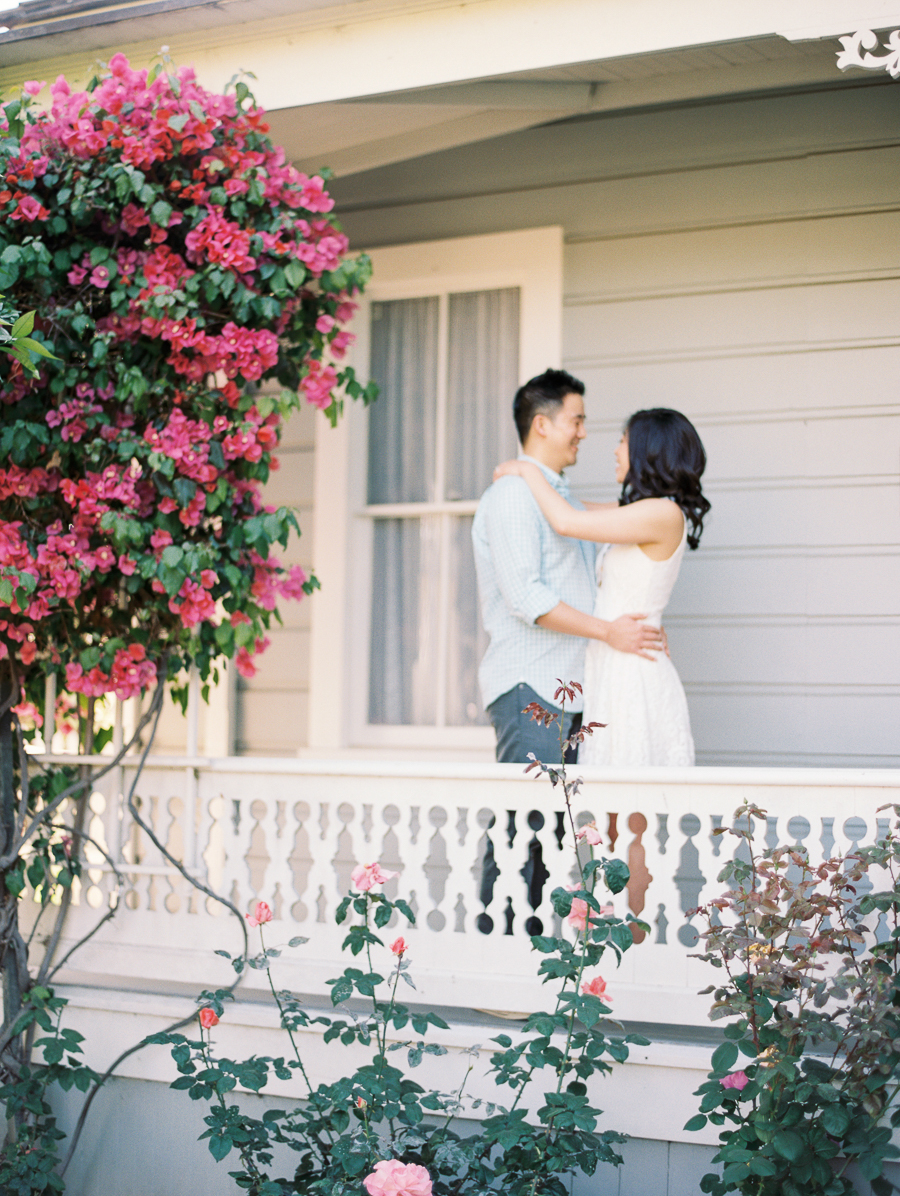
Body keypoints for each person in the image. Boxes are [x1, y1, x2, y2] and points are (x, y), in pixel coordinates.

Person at [493, 407, 710, 766]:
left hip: (632, 668)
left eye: (623, 440)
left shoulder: (663, 513)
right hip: (611, 662)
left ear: (648, 449)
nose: (615, 449)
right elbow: (568, 509)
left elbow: (566, 520)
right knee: (611, 793)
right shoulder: (640, 510)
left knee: (630, 792)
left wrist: (528, 469)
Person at [472, 370, 665, 764]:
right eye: (576, 421)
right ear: (541, 425)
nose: (583, 433)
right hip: (533, 689)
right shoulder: (512, 495)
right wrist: (610, 632)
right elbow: (526, 598)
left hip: (574, 690)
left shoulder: (561, 502)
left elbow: (633, 518)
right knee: (529, 820)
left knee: (563, 823)